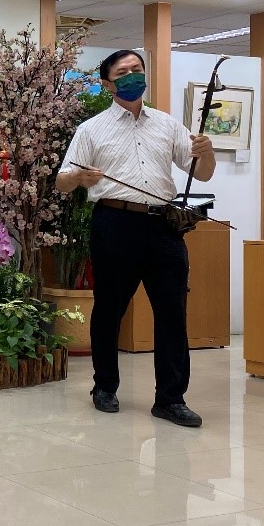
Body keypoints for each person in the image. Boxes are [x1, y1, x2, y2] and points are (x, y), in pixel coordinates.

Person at [56, 49, 216, 428]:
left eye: (137, 69)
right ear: (107, 83)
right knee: (110, 308)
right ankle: (104, 386)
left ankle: (171, 399)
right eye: (122, 72)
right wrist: (79, 178)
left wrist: (207, 153)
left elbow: (202, 173)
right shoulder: (91, 129)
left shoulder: (167, 124)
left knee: (173, 311)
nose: (132, 76)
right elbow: (62, 181)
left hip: (164, 225)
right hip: (114, 222)